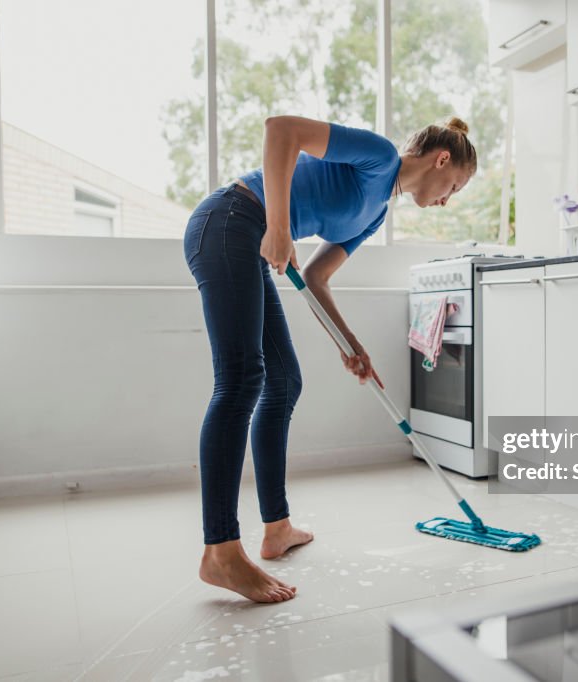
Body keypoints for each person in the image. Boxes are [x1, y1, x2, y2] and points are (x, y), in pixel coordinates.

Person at [183, 114, 477, 603]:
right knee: (239, 381)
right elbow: (281, 131)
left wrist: (351, 346)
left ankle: (277, 528)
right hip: (230, 219)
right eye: (454, 186)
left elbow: (317, 278)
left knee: (282, 382)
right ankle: (221, 551)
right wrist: (280, 226)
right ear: (441, 159)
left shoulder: (376, 213)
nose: (447, 199)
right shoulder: (378, 157)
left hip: (251, 239)